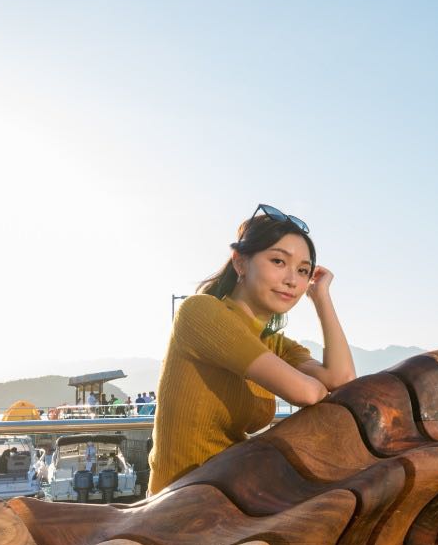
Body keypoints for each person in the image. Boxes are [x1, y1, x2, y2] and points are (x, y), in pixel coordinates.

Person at [148, 204, 357, 493]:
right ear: (240, 263)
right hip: (178, 504)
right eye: (278, 262)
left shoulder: (272, 342)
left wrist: (321, 298)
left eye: (303, 270)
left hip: (231, 492)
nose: (292, 280)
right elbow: (306, 392)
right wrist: (317, 390)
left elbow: (342, 379)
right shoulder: (201, 312)